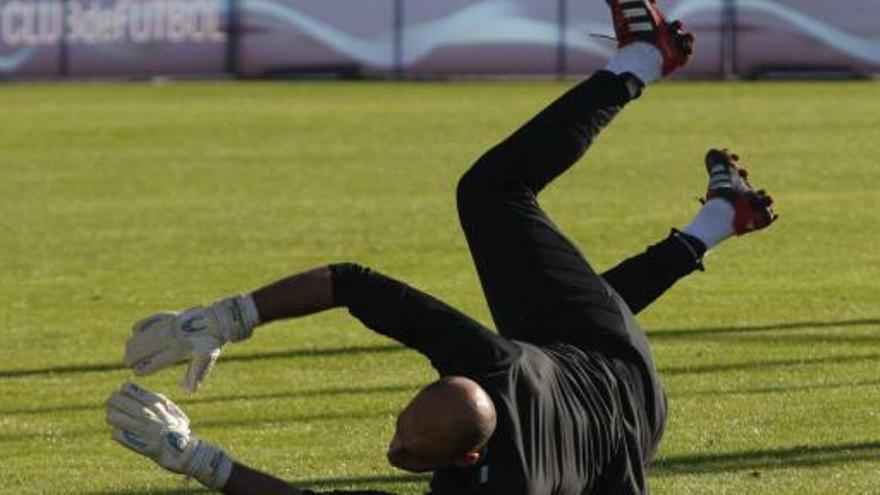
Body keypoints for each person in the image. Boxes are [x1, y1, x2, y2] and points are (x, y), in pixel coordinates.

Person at [105, 1, 777, 493]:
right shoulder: (489, 393)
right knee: (489, 195)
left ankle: (721, 217)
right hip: (615, 404)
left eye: (402, 439)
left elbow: (348, 284)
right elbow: (350, 279)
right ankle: (642, 59)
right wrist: (226, 319)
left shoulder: (489, 396)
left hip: (599, 383)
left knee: (567, 302)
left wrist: (197, 458)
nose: (391, 441)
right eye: (403, 434)